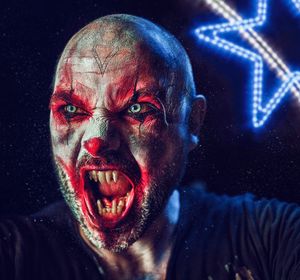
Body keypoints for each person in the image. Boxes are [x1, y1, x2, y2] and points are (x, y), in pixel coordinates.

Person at [1, 14, 300, 280]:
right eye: (71, 111)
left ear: (193, 123)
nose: (97, 141)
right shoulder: (15, 255)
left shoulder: (271, 239)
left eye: (136, 110)